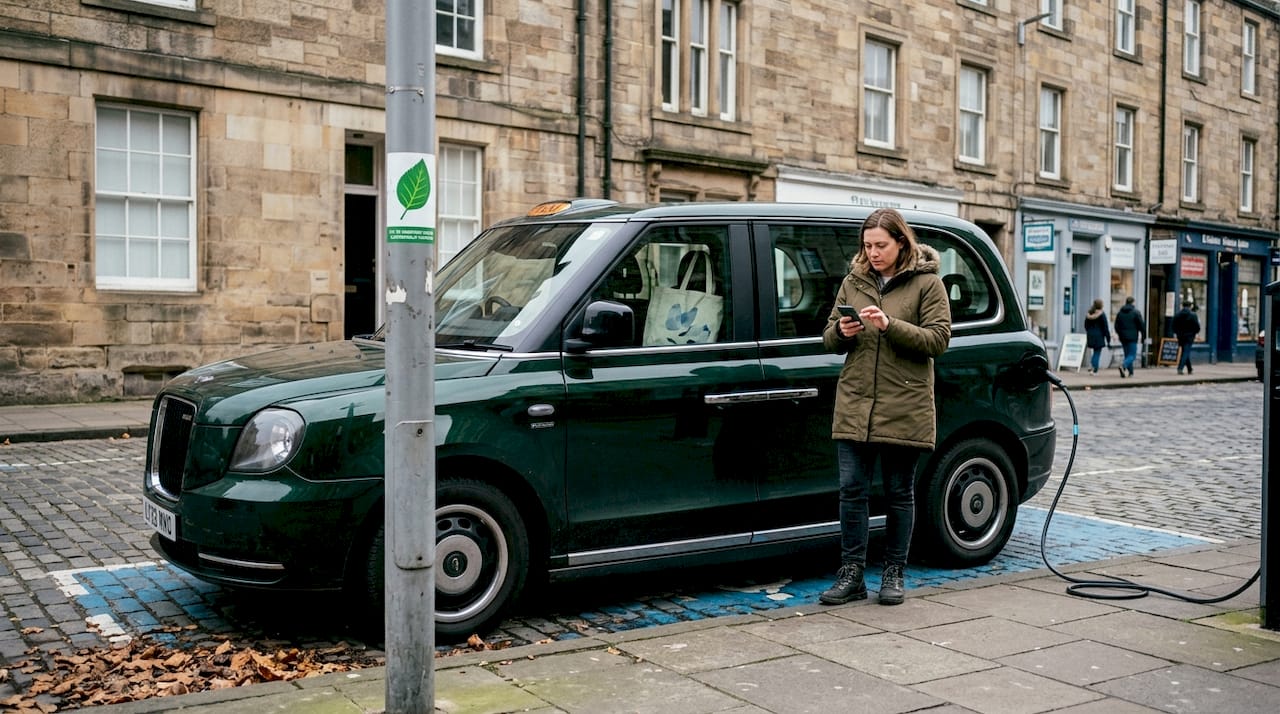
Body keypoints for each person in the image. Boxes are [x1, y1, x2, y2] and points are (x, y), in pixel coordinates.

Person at [819, 208, 952, 607]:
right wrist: (842, 331)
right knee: (851, 491)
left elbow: (938, 340)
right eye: (867, 246)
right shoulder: (853, 281)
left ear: (901, 243)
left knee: (898, 492)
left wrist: (889, 325)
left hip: (903, 404)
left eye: (880, 245)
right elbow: (828, 338)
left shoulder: (928, 283)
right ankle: (851, 574)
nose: (873, 253)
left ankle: (894, 572)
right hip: (856, 402)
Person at [1113, 296, 1146, 378]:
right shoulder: (1136, 312)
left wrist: (1120, 333)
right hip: (1132, 337)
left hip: (1123, 337)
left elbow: (1116, 326)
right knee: (1132, 355)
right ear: (1133, 303)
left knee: (1127, 355)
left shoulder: (1120, 313)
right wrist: (1143, 337)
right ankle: (1123, 366)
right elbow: (1141, 326)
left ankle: (1130, 372)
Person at [1172, 299, 1201, 375]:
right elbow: (1197, 326)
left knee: (1184, 351)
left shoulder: (1177, 314)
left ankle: (1189, 369)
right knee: (1186, 352)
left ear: (1182, 306)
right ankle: (1180, 368)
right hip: (1189, 336)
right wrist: (1195, 333)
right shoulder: (1193, 315)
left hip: (1180, 336)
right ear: (1190, 306)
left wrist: (1177, 333)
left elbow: (1173, 325)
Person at [1083, 298, 1110, 374]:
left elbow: (1085, 325)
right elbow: (1105, 327)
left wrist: (1089, 331)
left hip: (1091, 335)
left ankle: (1091, 365)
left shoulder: (1089, 314)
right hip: (1099, 336)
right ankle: (1094, 369)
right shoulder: (1102, 314)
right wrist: (1108, 338)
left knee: (1095, 352)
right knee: (1097, 352)